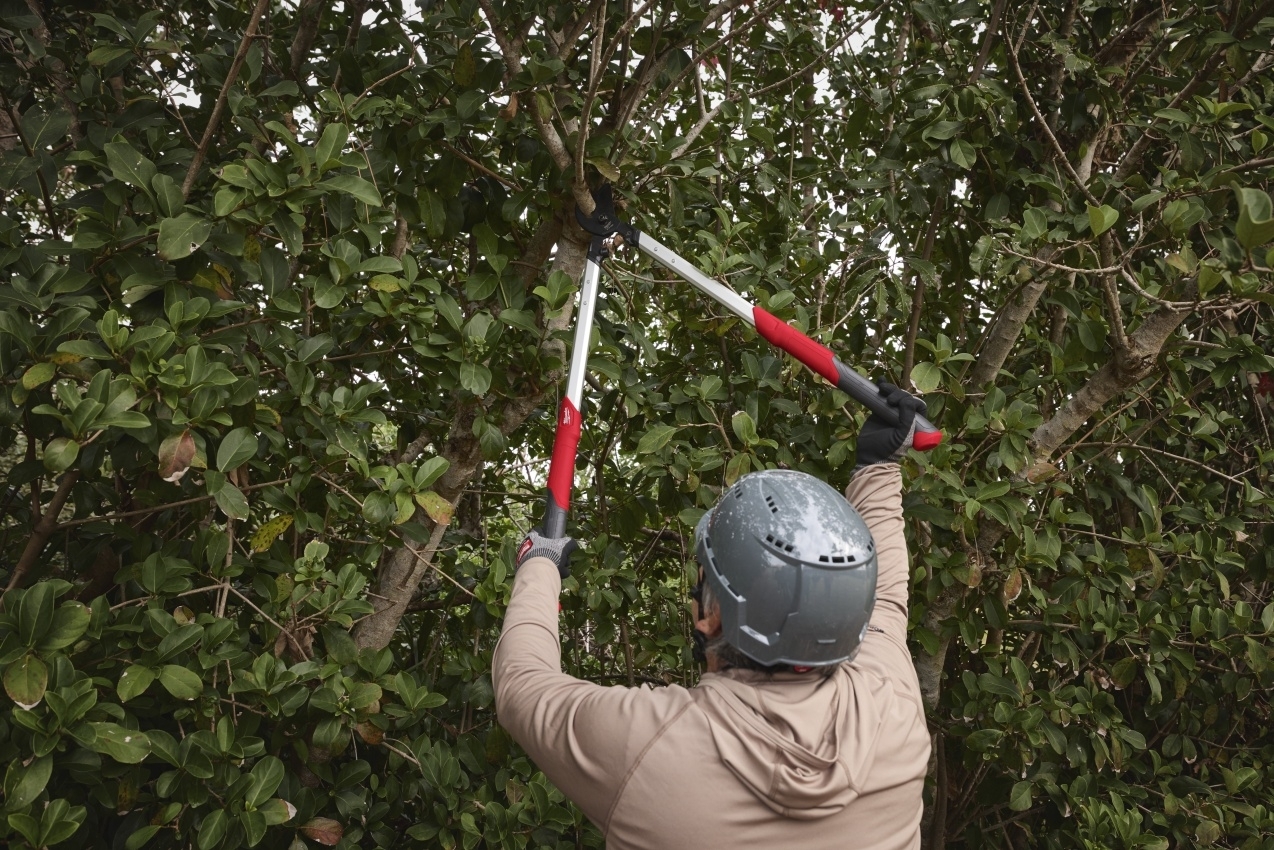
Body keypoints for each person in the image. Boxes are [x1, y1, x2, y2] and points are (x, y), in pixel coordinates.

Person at [492, 384, 931, 849]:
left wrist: (539, 563)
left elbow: (523, 685)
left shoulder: (647, 749)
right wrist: (879, 467)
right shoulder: (892, 703)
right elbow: (887, 602)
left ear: (713, 619)